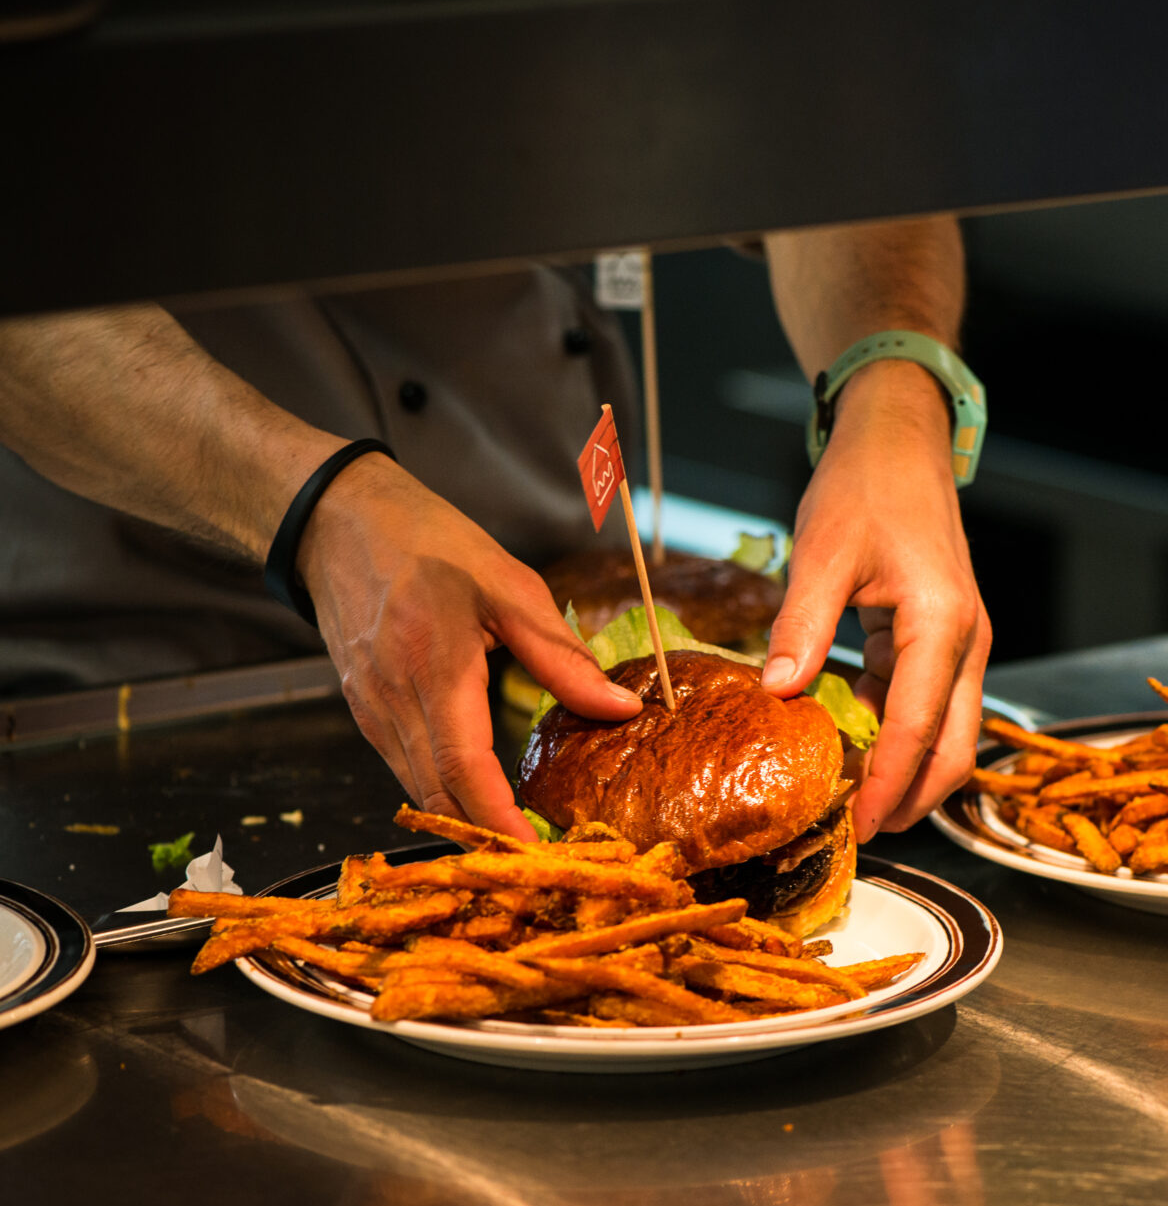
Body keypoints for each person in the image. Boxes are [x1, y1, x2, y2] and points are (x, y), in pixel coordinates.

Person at [0, 217, 990, 844]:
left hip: (541, 632)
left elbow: (824, 98)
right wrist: (313, 504)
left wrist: (895, 389)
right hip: (126, 689)